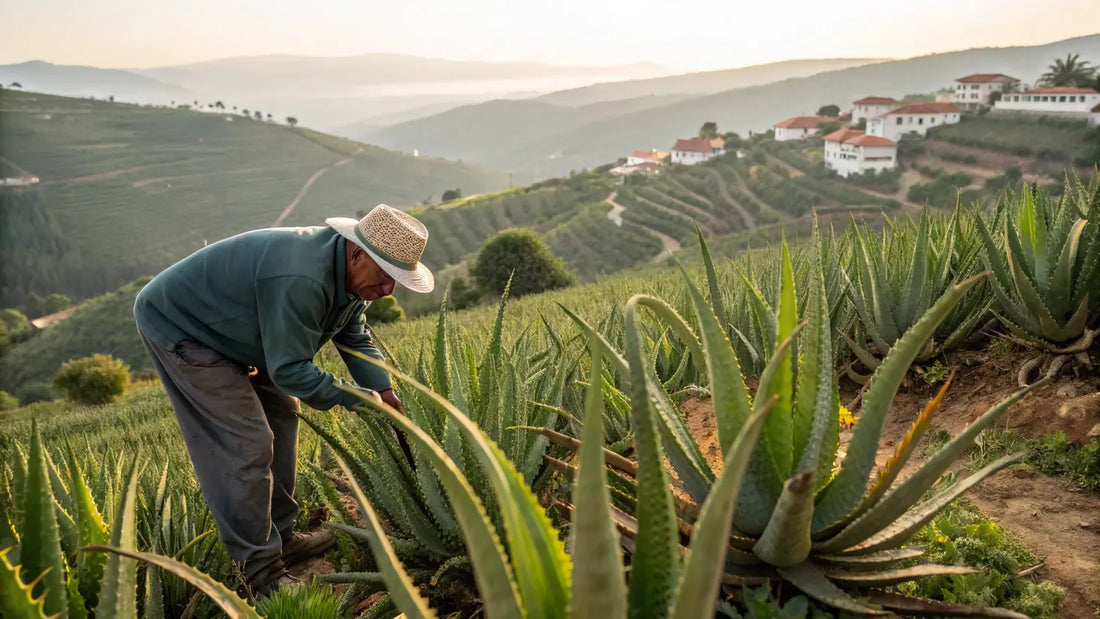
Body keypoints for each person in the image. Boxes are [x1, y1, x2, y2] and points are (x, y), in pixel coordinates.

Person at [133, 205, 434, 596]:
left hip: (246, 334)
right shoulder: (302, 278)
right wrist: (361, 399)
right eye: (385, 277)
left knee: (283, 414)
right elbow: (290, 371)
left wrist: (386, 391)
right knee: (245, 443)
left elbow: (354, 337)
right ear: (358, 254)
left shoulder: (353, 276)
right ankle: (259, 574)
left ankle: (282, 538)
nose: (390, 290)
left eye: (396, 279)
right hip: (184, 327)